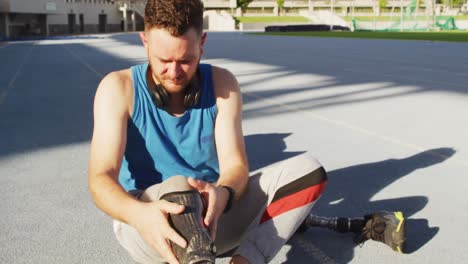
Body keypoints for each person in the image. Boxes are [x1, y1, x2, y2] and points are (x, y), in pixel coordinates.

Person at [87, 0, 405, 263]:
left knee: (310, 170)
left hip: (213, 222)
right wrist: (138, 215)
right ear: (144, 41)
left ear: (203, 43)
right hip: (150, 227)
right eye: (163, 60)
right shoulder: (118, 88)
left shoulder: (223, 84)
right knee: (178, 185)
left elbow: (236, 167)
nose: (174, 72)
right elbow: (101, 177)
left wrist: (223, 194)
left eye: (186, 60)